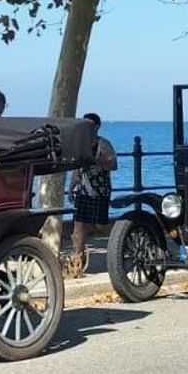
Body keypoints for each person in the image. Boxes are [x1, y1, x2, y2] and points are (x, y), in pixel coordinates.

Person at [68, 113, 117, 276]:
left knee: (100, 225)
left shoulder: (104, 144)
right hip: (83, 189)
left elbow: (113, 164)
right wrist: (71, 187)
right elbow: (77, 169)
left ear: (96, 127)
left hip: (100, 189)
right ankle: (77, 261)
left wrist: (100, 162)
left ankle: (120, 242)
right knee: (79, 225)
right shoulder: (80, 145)